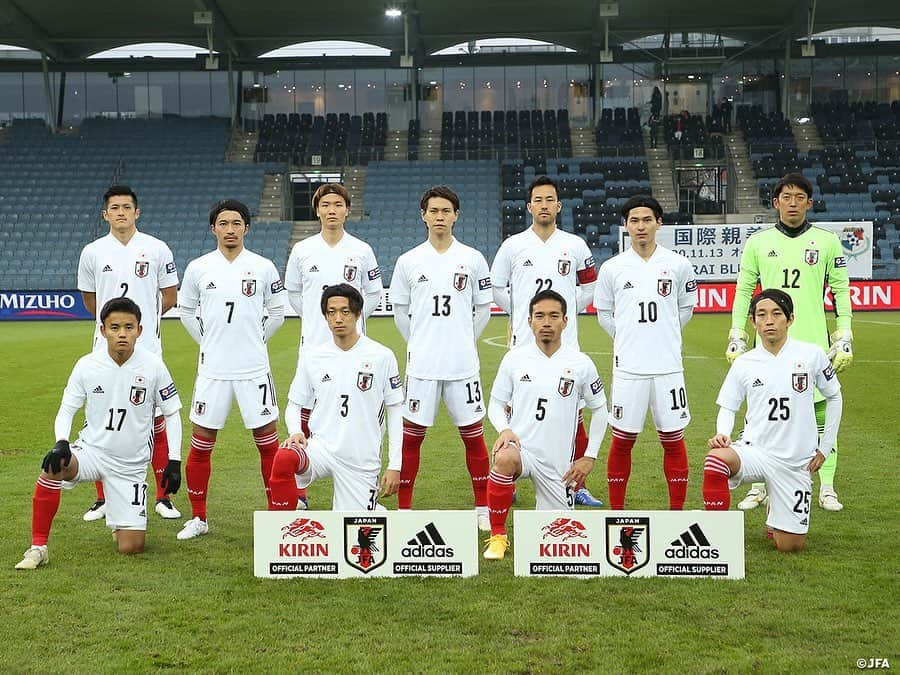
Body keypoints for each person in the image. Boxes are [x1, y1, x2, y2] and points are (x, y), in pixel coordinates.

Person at [15, 298, 183, 569]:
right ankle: (38, 547)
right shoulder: (86, 365)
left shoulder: (153, 366)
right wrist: (61, 443)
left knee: (131, 547)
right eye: (114, 327)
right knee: (54, 466)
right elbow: (67, 409)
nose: (122, 333)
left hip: (130, 465)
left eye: (129, 327)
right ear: (102, 330)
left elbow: (172, 413)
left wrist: (173, 460)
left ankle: (120, 516)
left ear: (140, 331)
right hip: (92, 452)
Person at [726, 173, 852, 512]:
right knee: (760, 416)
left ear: (810, 203)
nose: (793, 202)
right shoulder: (758, 242)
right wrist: (738, 333)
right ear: (776, 202)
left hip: (812, 343)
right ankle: (759, 485)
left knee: (822, 412)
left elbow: (840, 289)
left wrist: (844, 334)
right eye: (786, 196)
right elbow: (743, 290)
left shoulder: (826, 241)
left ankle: (826, 485)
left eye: (799, 197)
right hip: (766, 346)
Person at [176, 199, 286, 540]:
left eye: (236, 223)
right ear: (213, 229)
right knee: (201, 444)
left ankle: (275, 517)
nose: (230, 229)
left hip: (254, 369)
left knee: (268, 445)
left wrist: (253, 340)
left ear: (246, 228)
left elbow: (278, 312)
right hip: (213, 372)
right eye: (223, 223)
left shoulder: (263, 267)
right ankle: (199, 517)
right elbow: (185, 311)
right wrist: (210, 343)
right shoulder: (198, 268)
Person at [490, 175, 603, 507]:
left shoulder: (575, 245)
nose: (543, 205)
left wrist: (563, 313)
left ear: (559, 205)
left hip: (566, 344)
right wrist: (526, 314)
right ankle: (506, 474)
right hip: (524, 342)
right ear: (529, 206)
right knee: (513, 413)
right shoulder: (512, 245)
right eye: (537, 200)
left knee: (574, 414)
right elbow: (498, 288)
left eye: (549, 199)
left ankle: (575, 482)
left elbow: (590, 286)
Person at [704, 289, 842, 552]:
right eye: (762, 315)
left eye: (776, 314)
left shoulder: (812, 355)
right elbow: (728, 406)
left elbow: (835, 397)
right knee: (716, 460)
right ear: (754, 322)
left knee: (789, 547)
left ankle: (776, 510)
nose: (769, 321)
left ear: (790, 319)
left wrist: (825, 448)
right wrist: (722, 433)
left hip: (795, 462)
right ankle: (717, 539)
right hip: (755, 451)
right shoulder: (744, 363)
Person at [389, 186, 492, 529]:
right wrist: (420, 342)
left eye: (446, 211)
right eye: (433, 211)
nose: (439, 217)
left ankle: (482, 509)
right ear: (423, 215)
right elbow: (400, 313)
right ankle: (404, 510)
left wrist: (462, 339)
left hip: (463, 365)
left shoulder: (473, 258)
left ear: (456, 215)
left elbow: (482, 310)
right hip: (423, 366)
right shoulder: (408, 261)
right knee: (411, 439)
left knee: (473, 437)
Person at [77, 185, 181, 521]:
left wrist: (141, 327)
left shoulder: (156, 248)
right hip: (104, 352)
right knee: (101, 422)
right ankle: (103, 497)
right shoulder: (92, 252)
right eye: (114, 208)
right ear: (105, 214)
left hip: (147, 349)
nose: (121, 212)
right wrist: (113, 330)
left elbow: (169, 296)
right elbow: (91, 302)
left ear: (137, 212)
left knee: (155, 421)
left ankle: (164, 497)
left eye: (127, 207)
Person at [482, 290, 608, 560]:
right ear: (529, 322)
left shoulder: (581, 364)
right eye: (539, 316)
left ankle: (555, 505)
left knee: (558, 540)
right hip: (522, 450)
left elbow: (600, 410)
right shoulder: (514, 359)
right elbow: (494, 404)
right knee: (504, 458)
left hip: (557, 464)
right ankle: (498, 535)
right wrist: (505, 429)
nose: (546, 322)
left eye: (553, 316)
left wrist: (590, 456)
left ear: (565, 320)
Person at [593, 194, 697, 510]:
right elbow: (604, 315)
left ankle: (676, 513)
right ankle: (616, 512)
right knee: (622, 441)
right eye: (634, 221)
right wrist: (630, 336)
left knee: (673, 439)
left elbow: (686, 309)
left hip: (668, 368)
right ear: (626, 226)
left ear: (658, 223)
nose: (641, 226)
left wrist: (661, 335)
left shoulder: (678, 264)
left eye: (647, 220)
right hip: (629, 369)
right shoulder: (612, 268)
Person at [284, 183, 383, 507]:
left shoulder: (362, 249)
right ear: (317, 210)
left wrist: (351, 322)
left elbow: (374, 293)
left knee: (360, 409)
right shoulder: (302, 250)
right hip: (314, 344)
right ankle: (300, 492)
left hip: (354, 349)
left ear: (346, 209)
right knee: (306, 409)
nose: (331, 210)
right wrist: (320, 322)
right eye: (325, 204)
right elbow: (295, 294)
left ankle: (362, 481)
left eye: (337, 204)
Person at [269, 284, 404, 511]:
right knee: (284, 457)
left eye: (345, 311)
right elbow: (294, 404)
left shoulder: (382, 356)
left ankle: (371, 509)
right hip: (321, 448)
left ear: (358, 314)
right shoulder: (313, 357)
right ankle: (280, 532)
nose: (338, 318)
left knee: (355, 532)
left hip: (361, 457)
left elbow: (395, 411)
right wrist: (296, 432)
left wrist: (395, 465)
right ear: (325, 316)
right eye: (331, 312)